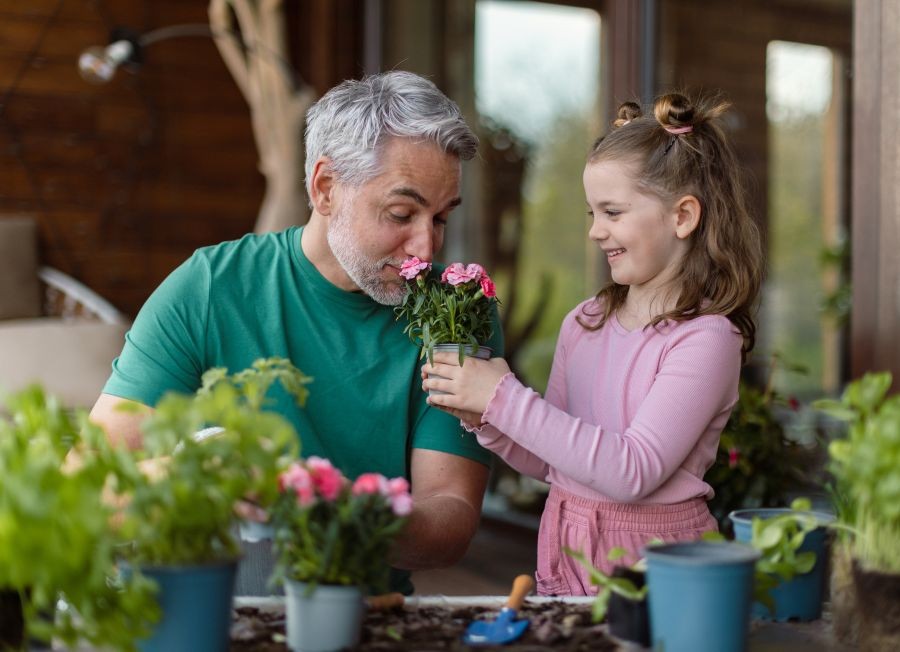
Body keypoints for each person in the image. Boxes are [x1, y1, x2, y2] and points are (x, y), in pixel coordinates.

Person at [89, 70, 503, 595]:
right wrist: (187, 479)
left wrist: (329, 505)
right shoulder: (211, 289)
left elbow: (451, 519)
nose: (426, 246)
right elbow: (91, 488)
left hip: (367, 614)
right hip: (216, 611)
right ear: (326, 187)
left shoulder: (458, 314)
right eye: (402, 213)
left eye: (441, 217)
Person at [422, 93, 762, 596]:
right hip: (566, 543)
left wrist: (504, 397)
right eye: (591, 213)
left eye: (613, 212)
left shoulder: (706, 339)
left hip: (656, 566)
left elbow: (632, 471)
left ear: (683, 217)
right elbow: (552, 459)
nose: (596, 231)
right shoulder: (586, 322)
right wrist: (485, 420)